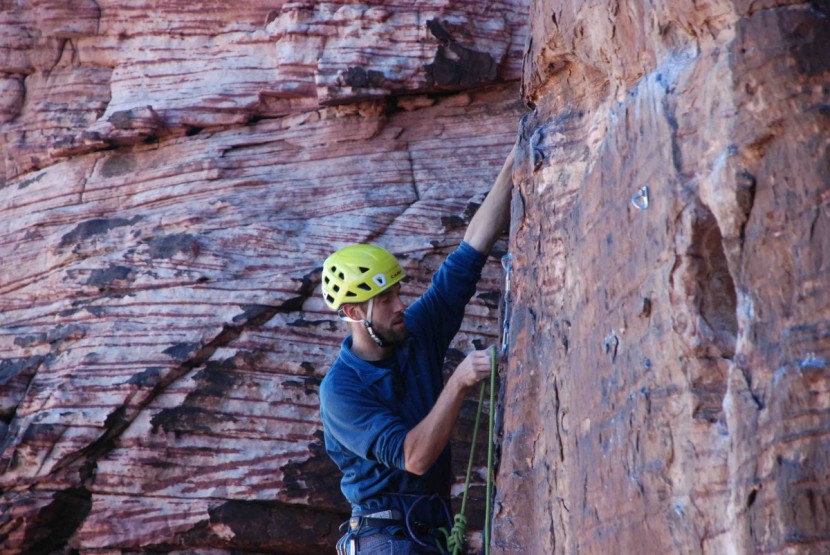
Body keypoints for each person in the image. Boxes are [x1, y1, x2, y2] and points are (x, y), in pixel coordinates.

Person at [319, 146, 515, 554]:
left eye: (397, 294)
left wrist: (516, 161)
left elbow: (470, 253)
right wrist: (458, 382)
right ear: (355, 311)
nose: (400, 306)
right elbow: (415, 458)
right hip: (384, 541)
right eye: (386, 300)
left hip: (426, 534)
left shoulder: (413, 333)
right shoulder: (342, 391)